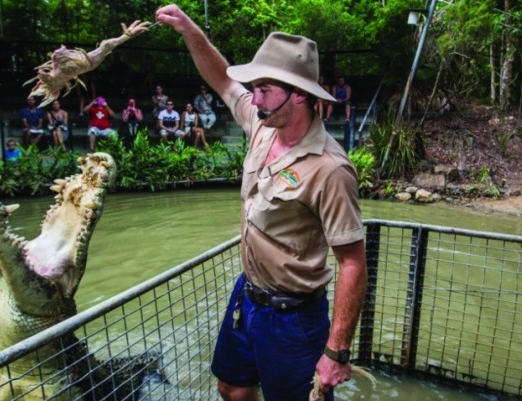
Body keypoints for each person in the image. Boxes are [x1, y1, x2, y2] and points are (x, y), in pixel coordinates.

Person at [156, 6, 368, 401]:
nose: (254, 99)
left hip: (295, 318)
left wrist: (336, 351)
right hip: (247, 297)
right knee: (232, 388)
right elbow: (221, 79)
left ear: (300, 95)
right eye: (254, 89)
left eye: (265, 90)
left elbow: (353, 264)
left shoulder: (330, 170)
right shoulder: (263, 124)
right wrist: (189, 31)